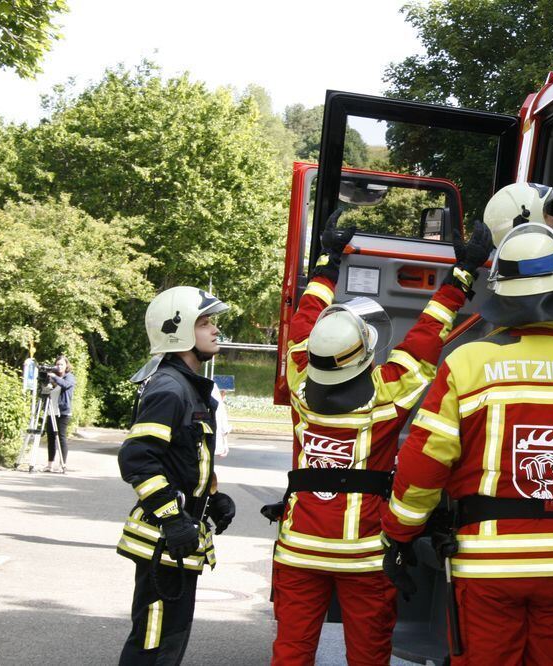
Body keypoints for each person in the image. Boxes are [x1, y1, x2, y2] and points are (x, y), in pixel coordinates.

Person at [381, 146, 553, 665]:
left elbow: (423, 464)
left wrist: (399, 533)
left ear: (499, 291)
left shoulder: (468, 365)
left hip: (487, 567)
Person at [265, 209, 492, 666]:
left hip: (298, 549)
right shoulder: (388, 393)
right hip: (366, 556)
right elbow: (428, 333)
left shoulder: (298, 375)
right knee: (368, 655)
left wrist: (328, 262)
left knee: (291, 652)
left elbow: (305, 319)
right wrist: (462, 274)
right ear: (367, 352)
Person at [116, 286, 238, 665]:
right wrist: (172, 519)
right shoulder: (171, 388)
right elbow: (138, 459)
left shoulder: (190, 388)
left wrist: (212, 498)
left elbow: (186, 457)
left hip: (178, 541)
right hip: (163, 539)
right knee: (152, 643)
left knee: (168, 642)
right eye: (205, 322)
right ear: (180, 330)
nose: (215, 330)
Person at [43, 354, 75, 472]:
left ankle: (63, 465)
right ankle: (49, 465)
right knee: (50, 438)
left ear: (66, 365)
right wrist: (46, 382)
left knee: (61, 438)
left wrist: (54, 378)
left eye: (61, 364)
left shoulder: (69, 377)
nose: (59, 366)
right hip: (51, 411)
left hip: (63, 412)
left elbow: (66, 385)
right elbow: (45, 392)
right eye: (57, 364)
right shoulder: (53, 377)